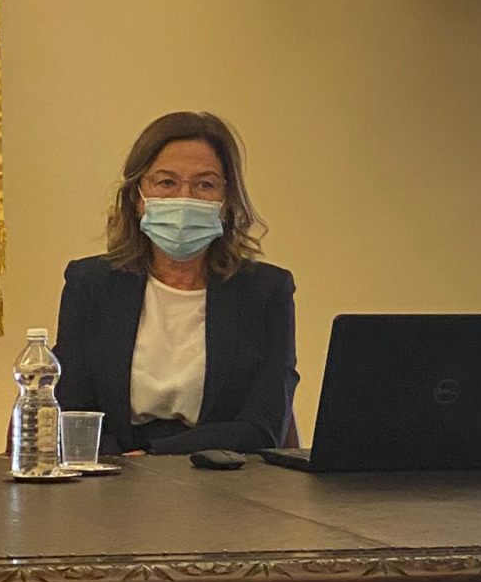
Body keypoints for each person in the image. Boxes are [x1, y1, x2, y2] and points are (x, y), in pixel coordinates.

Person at [54, 111, 298, 455]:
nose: (185, 198)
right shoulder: (90, 284)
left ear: (227, 201)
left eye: (205, 185)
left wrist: (155, 457)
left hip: (222, 474)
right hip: (111, 473)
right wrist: (122, 468)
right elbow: (71, 412)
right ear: (138, 197)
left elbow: (264, 426)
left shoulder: (266, 291)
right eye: (167, 183)